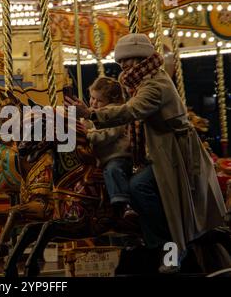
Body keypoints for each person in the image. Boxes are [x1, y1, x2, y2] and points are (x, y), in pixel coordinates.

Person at [66, 33, 227, 273]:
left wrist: (91, 115)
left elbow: (132, 111)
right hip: (158, 151)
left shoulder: (155, 84)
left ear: (140, 58)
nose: (123, 66)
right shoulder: (142, 82)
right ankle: (149, 238)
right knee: (134, 183)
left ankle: (170, 248)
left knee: (139, 186)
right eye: (121, 62)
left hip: (174, 153)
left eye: (127, 61)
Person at [81, 77, 135, 218]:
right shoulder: (91, 114)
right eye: (92, 98)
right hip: (100, 159)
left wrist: (87, 134)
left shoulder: (115, 113)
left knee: (113, 170)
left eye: (99, 100)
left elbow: (107, 134)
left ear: (112, 101)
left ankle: (124, 204)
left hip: (118, 156)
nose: (94, 103)